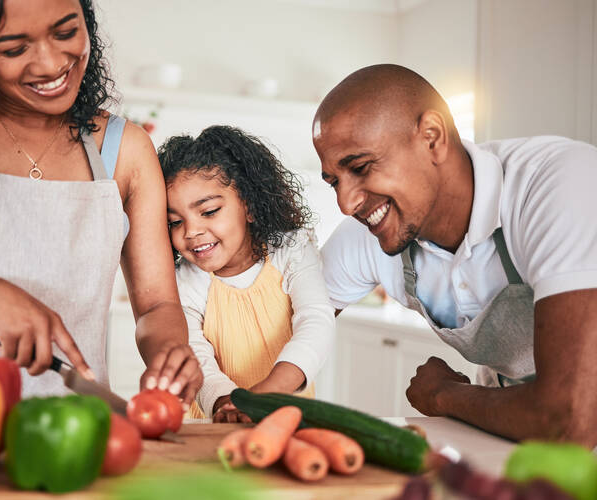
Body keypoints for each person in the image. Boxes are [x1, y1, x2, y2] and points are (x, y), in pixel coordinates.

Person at [0, 0, 202, 405]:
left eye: (66, 32)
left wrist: (169, 354)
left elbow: (157, 304)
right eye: (14, 48)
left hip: (72, 423)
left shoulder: (125, 150)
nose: (51, 64)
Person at [315, 64, 597, 446]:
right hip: (515, 428)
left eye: (361, 168)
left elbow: (570, 419)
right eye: (334, 182)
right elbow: (281, 331)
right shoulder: (374, 230)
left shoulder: (561, 185)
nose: (346, 203)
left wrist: (443, 395)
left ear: (432, 138)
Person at [158, 126, 335, 422]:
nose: (191, 231)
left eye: (209, 211)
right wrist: (227, 404)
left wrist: (265, 395)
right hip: (216, 420)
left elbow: (316, 321)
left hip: (287, 418)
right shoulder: (186, 280)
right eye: (175, 222)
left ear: (250, 205)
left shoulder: (291, 251)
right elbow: (196, 354)